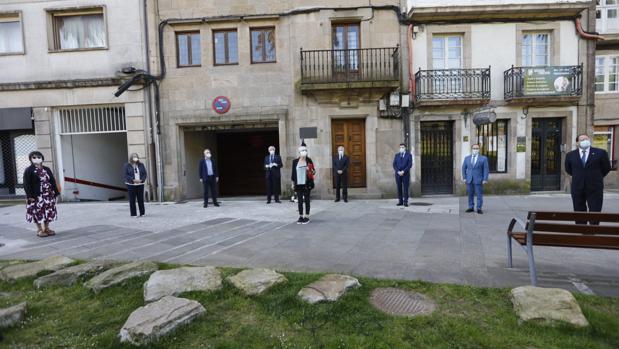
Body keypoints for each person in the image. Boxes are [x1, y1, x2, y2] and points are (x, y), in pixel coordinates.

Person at [565, 134, 611, 224]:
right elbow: (569, 169)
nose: (584, 141)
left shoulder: (600, 153)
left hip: (595, 187)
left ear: (589, 140)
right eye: (582, 140)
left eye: (586, 139)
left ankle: (593, 231)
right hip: (577, 187)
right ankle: (582, 229)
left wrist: (596, 177)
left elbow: (606, 168)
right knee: (579, 210)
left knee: (595, 210)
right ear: (577, 143)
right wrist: (580, 176)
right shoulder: (570, 155)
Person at [23, 151, 60, 237]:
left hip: (48, 195)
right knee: (38, 212)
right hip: (36, 196)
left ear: (42, 158)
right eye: (34, 157)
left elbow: (52, 181)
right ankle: (39, 229)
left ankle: (47, 228)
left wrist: (56, 192)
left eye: (38, 157)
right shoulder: (29, 170)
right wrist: (30, 196)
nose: (37, 159)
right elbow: (26, 184)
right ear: (31, 159)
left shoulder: (47, 169)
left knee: (48, 211)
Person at [461, 144, 489, 214]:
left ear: (479, 149)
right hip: (469, 179)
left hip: (479, 179)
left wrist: (485, 179)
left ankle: (479, 208)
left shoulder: (483, 158)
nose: (475, 149)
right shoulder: (467, 158)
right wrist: (464, 178)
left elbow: (486, 169)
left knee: (479, 195)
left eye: (476, 148)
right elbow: (463, 168)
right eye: (474, 148)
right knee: (470, 194)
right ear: (471, 149)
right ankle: (471, 207)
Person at [291, 144, 315, 224]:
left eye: (305, 150)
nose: (304, 152)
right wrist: (292, 183)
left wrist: (309, 169)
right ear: (299, 152)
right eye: (302, 151)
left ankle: (307, 216)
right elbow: (293, 174)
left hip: (307, 183)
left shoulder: (309, 160)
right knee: (300, 201)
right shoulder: (295, 161)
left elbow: (314, 172)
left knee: (307, 200)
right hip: (298, 184)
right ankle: (301, 216)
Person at [123, 153, 148, 217]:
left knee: (140, 199)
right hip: (131, 185)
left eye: (136, 157)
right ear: (131, 158)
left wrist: (141, 180)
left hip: (140, 184)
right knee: (132, 200)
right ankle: (133, 214)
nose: (135, 158)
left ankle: (142, 213)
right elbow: (126, 175)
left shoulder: (141, 165)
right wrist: (133, 180)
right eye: (134, 157)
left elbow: (145, 174)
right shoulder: (127, 165)